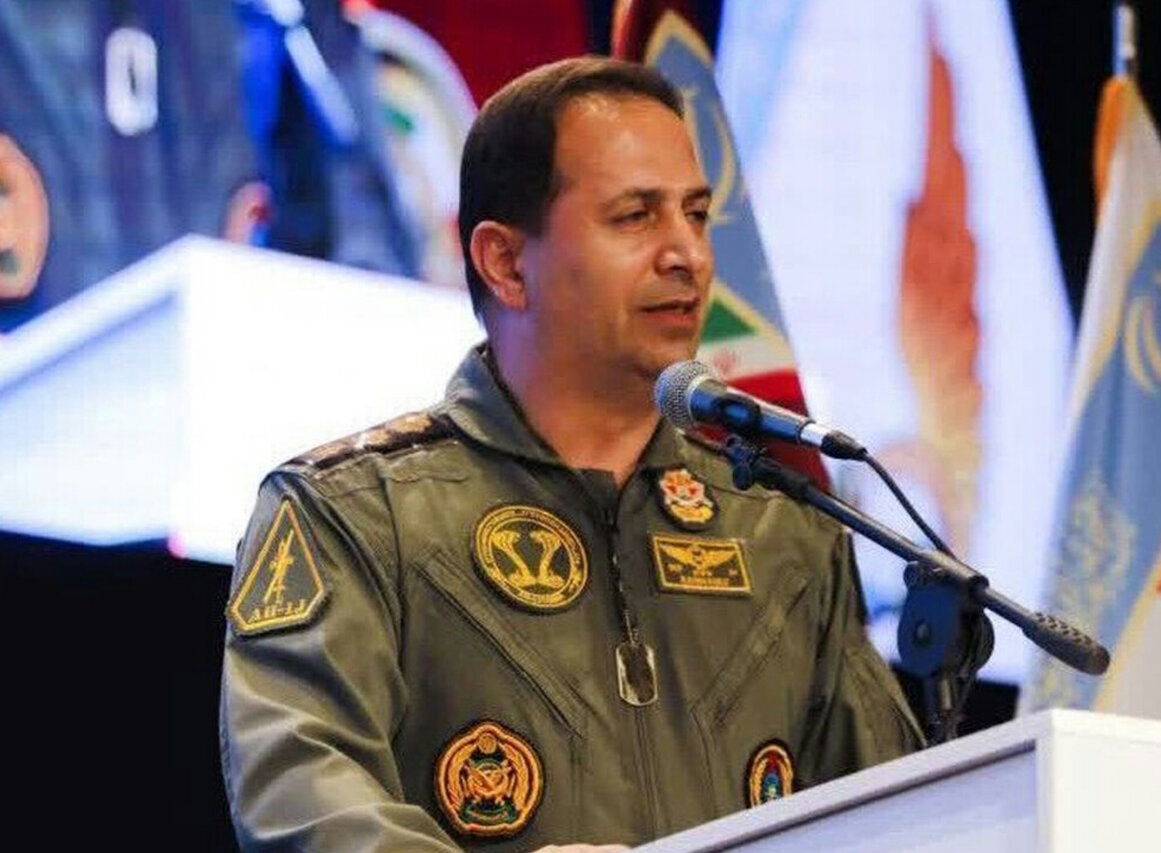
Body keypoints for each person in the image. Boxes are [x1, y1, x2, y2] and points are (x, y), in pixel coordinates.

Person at [219, 56, 922, 853]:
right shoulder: (350, 515)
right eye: (636, 216)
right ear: (505, 263)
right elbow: (307, 811)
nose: (689, 254)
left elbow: (897, 826)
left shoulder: (782, 529)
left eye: (696, 214)